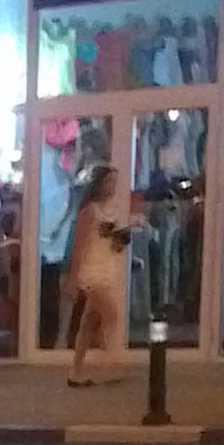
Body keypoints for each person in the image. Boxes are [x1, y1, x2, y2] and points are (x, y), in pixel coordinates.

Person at [66, 162, 141, 387]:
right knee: (111, 314)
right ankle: (110, 363)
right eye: (108, 182)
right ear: (98, 184)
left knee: (89, 322)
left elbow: (113, 244)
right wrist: (72, 278)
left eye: (114, 182)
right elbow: (79, 245)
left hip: (106, 267)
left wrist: (122, 237)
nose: (112, 186)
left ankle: (76, 370)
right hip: (92, 271)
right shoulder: (89, 211)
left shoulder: (112, 210)